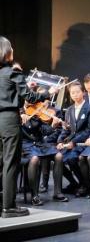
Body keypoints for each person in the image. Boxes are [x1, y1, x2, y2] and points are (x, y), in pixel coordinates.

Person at [0, 36, 57, 217]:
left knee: (2, 162)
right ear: (7, 52)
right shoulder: (12, 72)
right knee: (11, 163)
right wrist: (47, 93)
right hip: (9, 120)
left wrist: (24, 85)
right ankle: (8, 207)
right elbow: (30, 97)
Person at [58, 81, 90, 196]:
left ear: (83, 92)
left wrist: (74, 142)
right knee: (56, 158)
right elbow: (66, 129)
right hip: (70, 142)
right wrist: (60, 141)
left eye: (77, 92)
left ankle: (85, 185)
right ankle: (74, 183)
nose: (75, 95)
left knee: (72, 158)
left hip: (83, 142)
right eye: (72, 93)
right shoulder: (69, 110)